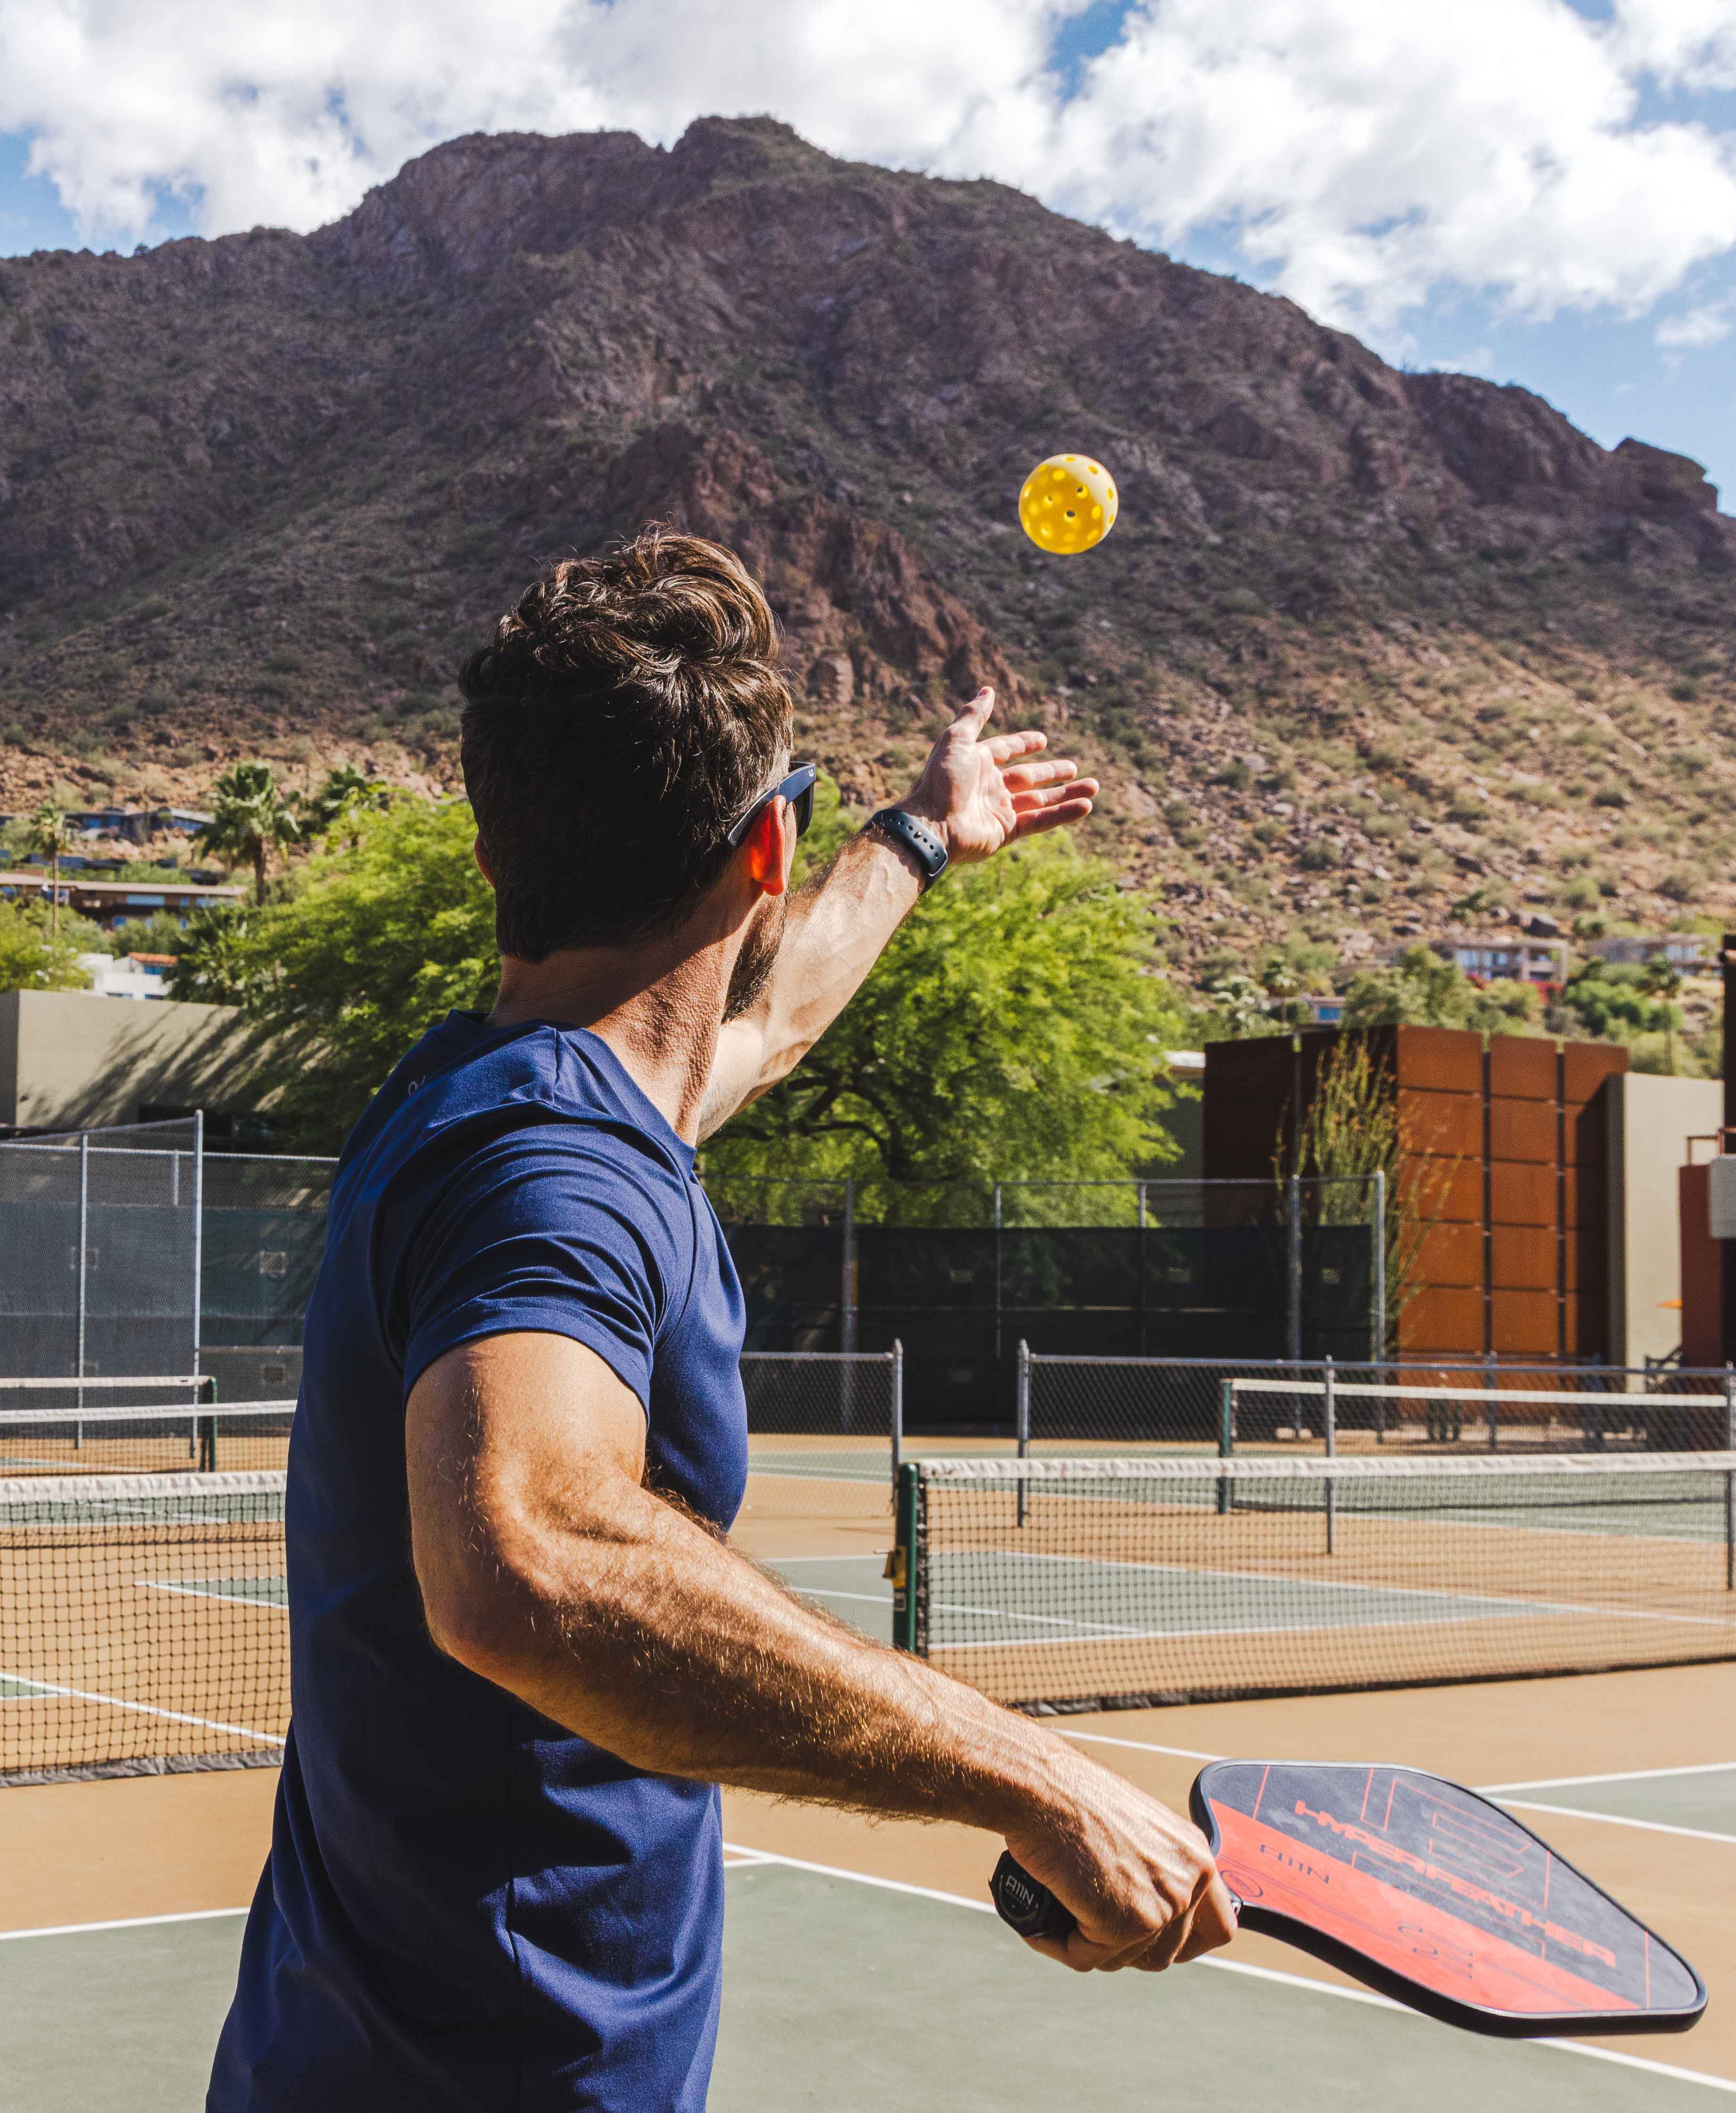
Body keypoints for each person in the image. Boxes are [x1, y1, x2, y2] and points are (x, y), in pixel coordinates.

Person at [208, 532, 1236, 2111]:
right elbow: (531, 1556)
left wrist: (921, 833)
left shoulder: (504, 1088)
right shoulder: (546, 1170)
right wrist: (1031, 1779)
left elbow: (768, 1016)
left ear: (495, 854)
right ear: (764, 847)